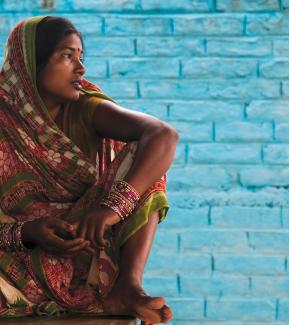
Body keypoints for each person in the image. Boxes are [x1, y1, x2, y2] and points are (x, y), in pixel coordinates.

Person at [0, 15, 177, 324]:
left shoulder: (84, 106)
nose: (80, 68)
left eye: (81, 57)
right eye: (67, 56)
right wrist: (28, 232)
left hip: (84, 250)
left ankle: (127, 287)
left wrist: (111, 209)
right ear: (30, 64)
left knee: (147, 162)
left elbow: (163, 135)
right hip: (13, 263)